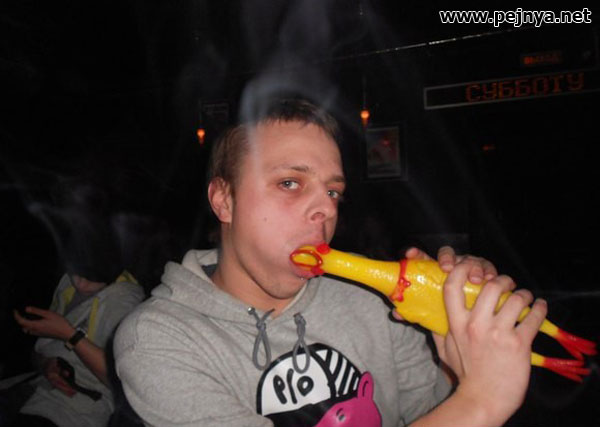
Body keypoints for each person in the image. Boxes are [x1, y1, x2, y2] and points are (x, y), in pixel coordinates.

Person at [114, 98, 547, 426]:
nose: (325, 209)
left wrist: (459, 360)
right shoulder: (156, 339)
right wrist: (481, 402)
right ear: (224, 200)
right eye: (290, 183)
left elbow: (432, 412)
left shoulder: (373, 301)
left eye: (333, 191)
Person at [5, 239, 145, 427]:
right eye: (76, 273)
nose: (81, 284)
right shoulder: (67, 283)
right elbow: (40, 351)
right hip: (37, 388)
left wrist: (70, 335)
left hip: (80, 406)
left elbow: (124, 381)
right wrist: (46, 364)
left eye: (91, 278)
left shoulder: (124, 302)